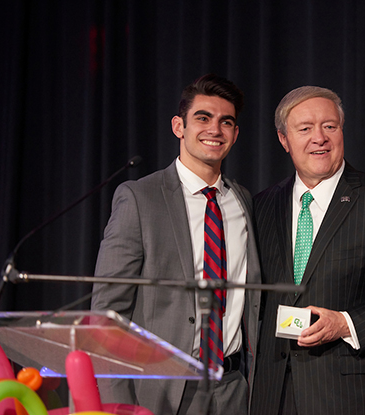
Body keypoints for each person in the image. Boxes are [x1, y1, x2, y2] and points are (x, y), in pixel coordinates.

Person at [250, 86, 365, 415]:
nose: (319, 138)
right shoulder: (262, 206)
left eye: (329, 126)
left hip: (348, 395)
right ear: (283, 139)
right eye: (305, 129)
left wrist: (346, 323)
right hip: (272, 392)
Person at [91, 73, 261, 415]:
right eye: (203, 118)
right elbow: (108, 314)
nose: (215, 129)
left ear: (235, 134)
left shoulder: (242, 200)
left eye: (225, 122)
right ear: (178, 126)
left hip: (233, 389)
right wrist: (117, 404)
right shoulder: (140, 198)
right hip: (162, 392)